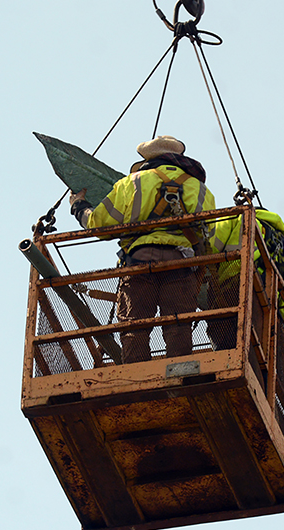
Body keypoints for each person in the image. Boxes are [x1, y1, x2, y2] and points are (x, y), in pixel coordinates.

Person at [70, 136, 216, 363]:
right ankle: (180, 369)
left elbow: (100, 225)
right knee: (178, 324)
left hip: (139, 262)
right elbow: (207, 236)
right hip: (181, 265)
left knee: (134, 324)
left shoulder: (132, 182)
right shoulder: (199, 188)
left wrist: (79, 207)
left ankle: (135, 372)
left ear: (149, 160)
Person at [208, 207, 284, 350]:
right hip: (266, 312)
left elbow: (210, 247)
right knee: (254, 352)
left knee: (224, 339)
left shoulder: (239, 218)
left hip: (233, 289)